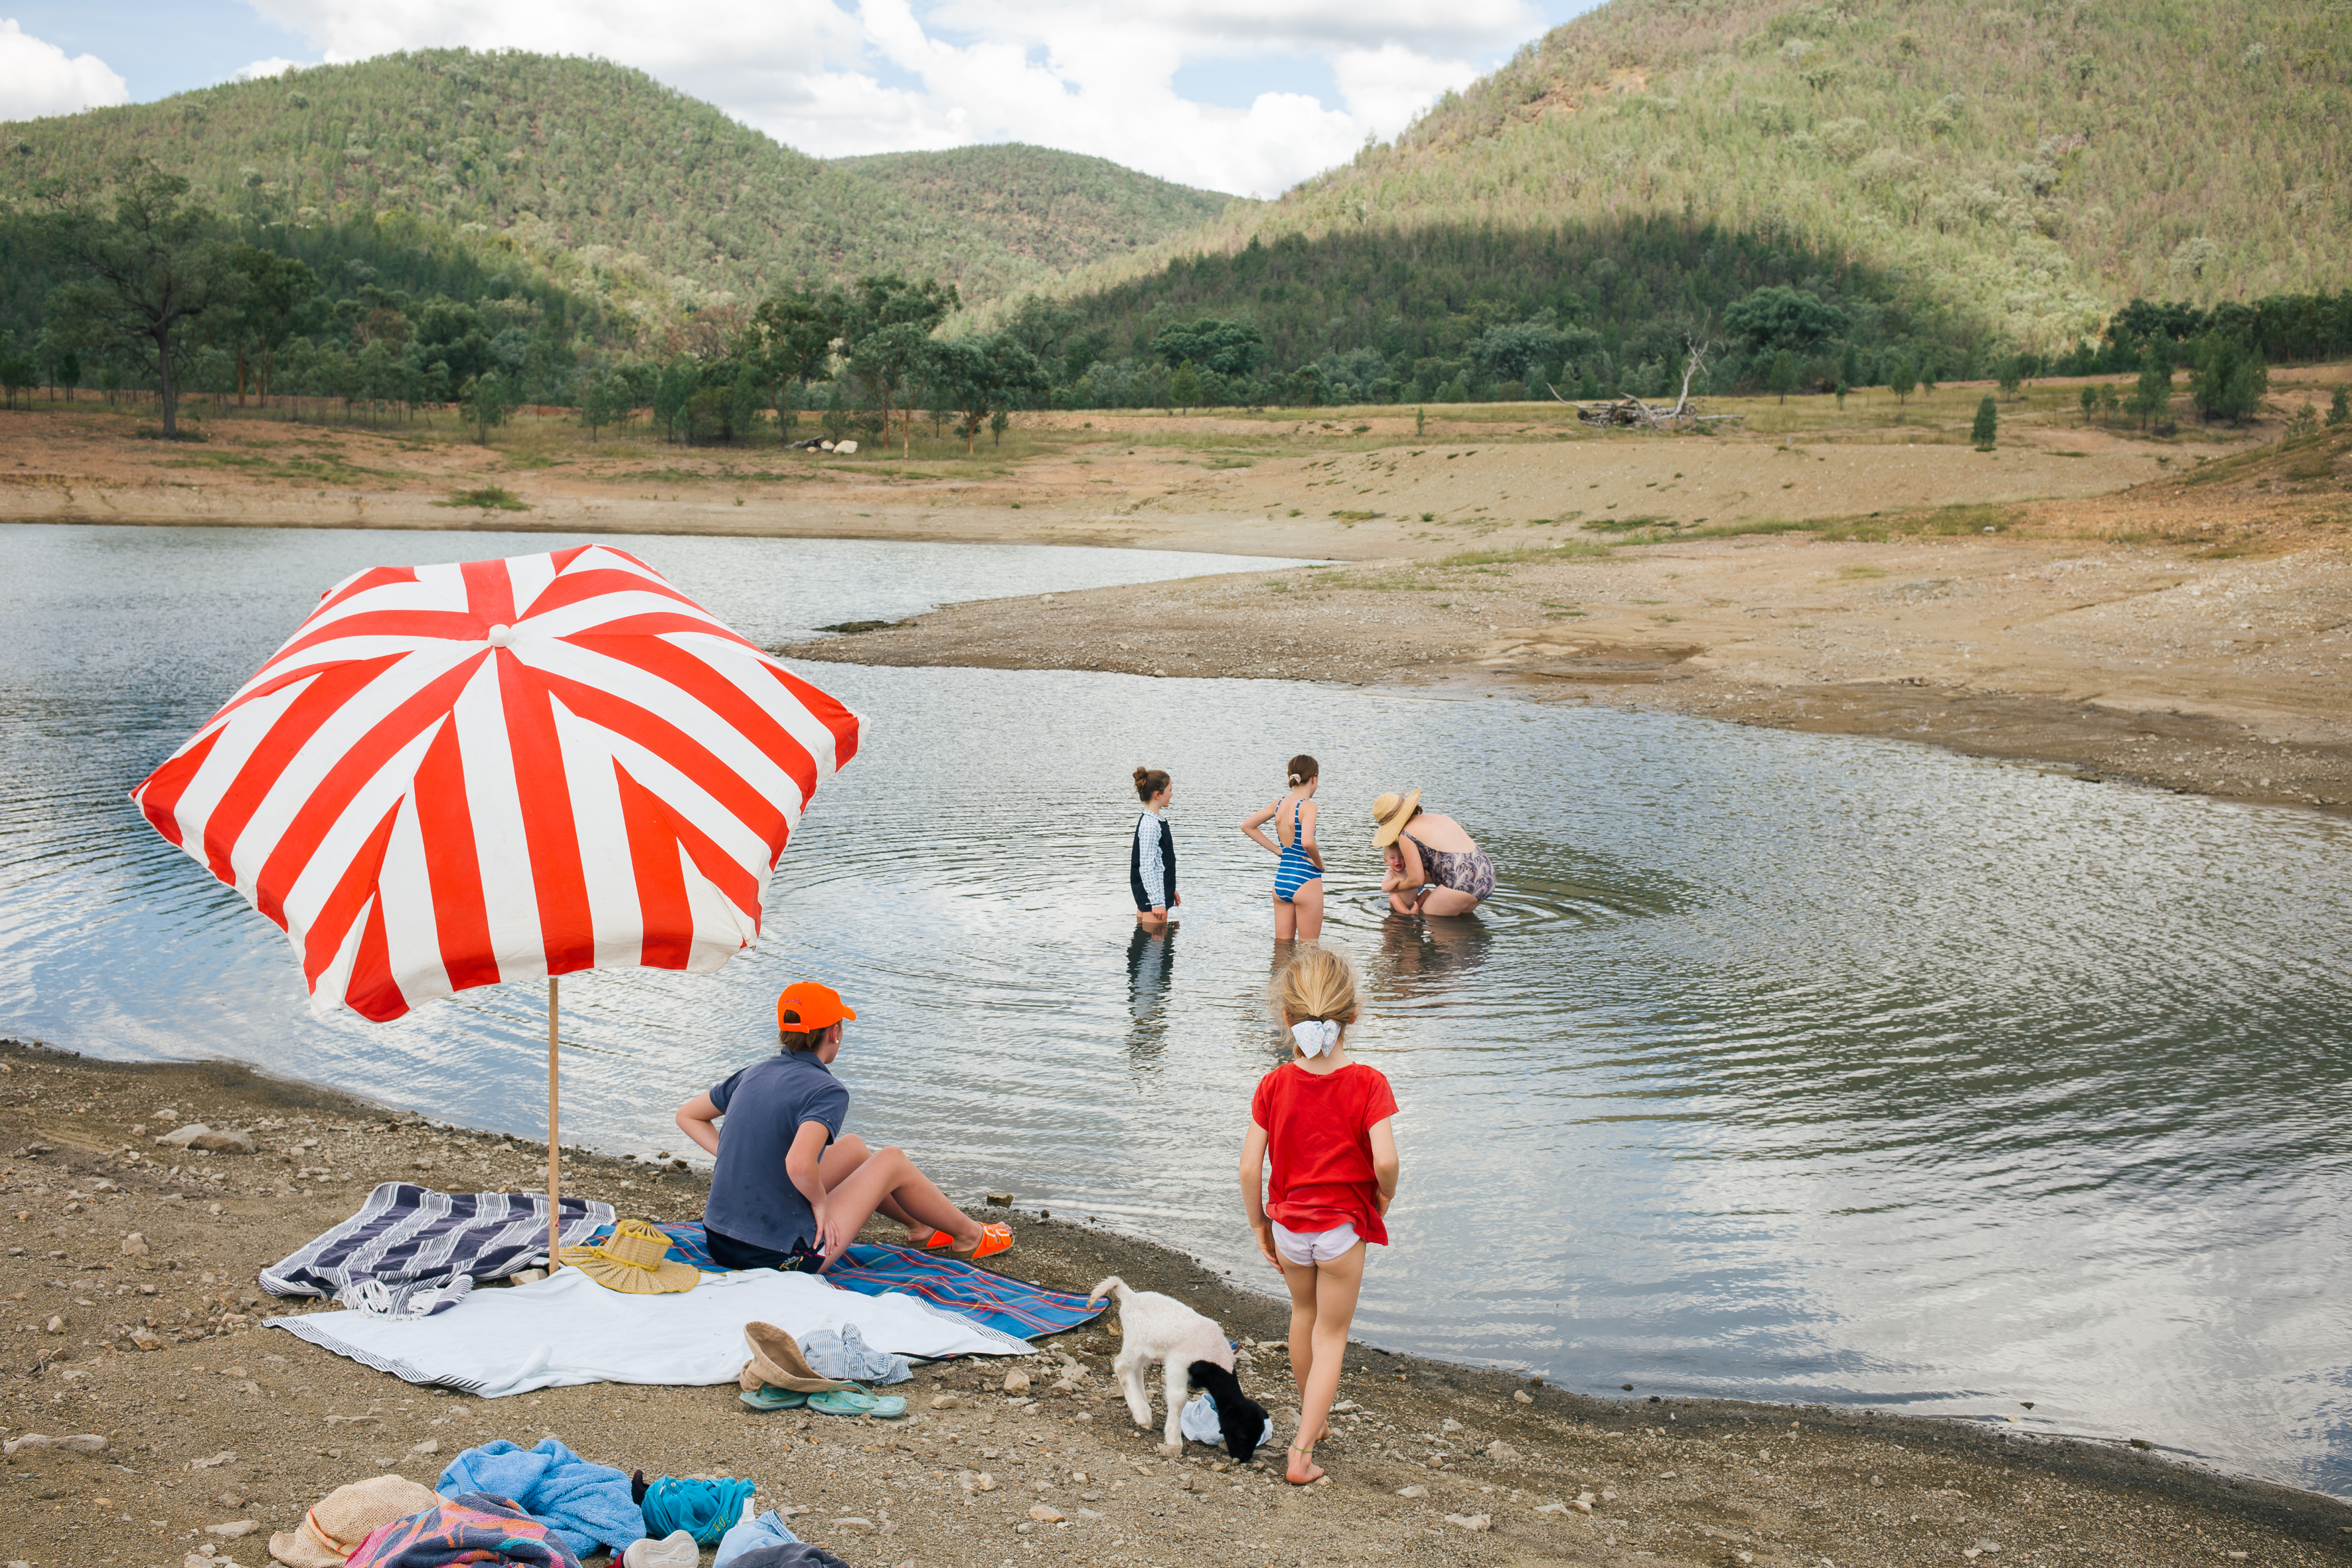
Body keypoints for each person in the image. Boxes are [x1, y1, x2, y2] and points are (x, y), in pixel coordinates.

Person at [674, 982, 1012, 1271]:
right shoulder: (827, 1090)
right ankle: (970, 1236)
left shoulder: (753, 1072)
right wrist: (821, 1205)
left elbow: (688, 1116)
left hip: (719, 1241)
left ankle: (920, 1225)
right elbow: (798, 1164)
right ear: (834, 1033)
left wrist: (738, 1154)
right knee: (892, 1159)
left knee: (852, 1147)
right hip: (780, 1256)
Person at [1239, 946, 1399, 1486]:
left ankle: (1314, 1417)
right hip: (1338, 1231)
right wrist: (1382, 1199)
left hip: (1289, 1226)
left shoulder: (1275, 1083)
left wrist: (1261, 1223)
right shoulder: (1368, 1082)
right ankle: (1302, 1452)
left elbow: (1246, 1168)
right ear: (1352, 1016)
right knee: (1333, 1335)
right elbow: (1386, 1160)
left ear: (1285, 1017)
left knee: (1303, 1318)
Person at [1373, 788, 1496, 915]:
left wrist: (1395, 887)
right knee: (1462, 926)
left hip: (1460, 880)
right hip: (1487, 875)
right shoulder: (1440, 818)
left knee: (1427, 918)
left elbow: (1416, 881)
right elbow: (1445, 864)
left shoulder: (1406, 834)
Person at [1241, 754, 1324, 940]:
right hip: (1306, 879)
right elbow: (1308, 842)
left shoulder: (1279, 803)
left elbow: (1247, 826)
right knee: (1309, 951)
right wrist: (1320, 864)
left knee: (1281, 949)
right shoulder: (1308, 807)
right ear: (1314, 778)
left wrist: (1278, 850)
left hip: (1282, 881)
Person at [1130, 767, 1180, 930]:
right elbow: (1147, 866)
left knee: (1145, 936)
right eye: (1170, 790)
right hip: (1152, 897)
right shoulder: (1151, 826)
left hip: (1153, 891)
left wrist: (1170, 887)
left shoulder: (1153, 820)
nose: (1172, 794)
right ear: (1158, 795)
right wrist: (1157, 902)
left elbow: (1159, 862)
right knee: (1156, 943)